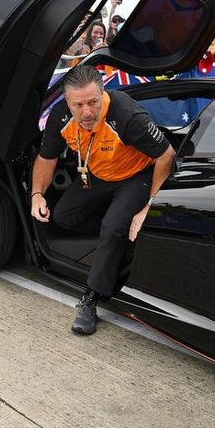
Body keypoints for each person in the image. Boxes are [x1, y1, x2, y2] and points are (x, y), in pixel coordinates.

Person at [29, 65, 174, 335]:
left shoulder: (127, 115)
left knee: (112, 227)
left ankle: (91, 298)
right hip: (97, 174)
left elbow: (166, 155)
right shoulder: (61, 116)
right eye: (79, 104)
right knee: (63, 217)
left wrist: (148, 205)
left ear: (102, 94)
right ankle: (117, 240)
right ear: (67, 101)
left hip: (135, 176)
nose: (87, 112)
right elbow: (46, 159)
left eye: (93, 102)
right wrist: (37, 194)